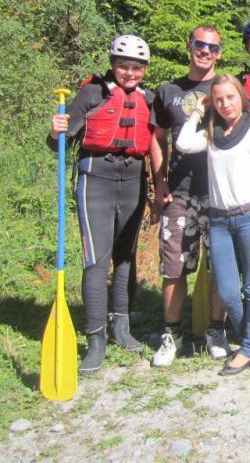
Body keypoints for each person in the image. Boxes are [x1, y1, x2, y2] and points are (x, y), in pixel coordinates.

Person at [48, 35, 155, 374]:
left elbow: (159, 143)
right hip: (96, 176)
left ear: (144, 70)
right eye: (123, 65)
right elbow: (59, 145)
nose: (129, 72)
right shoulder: (92, 93)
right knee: (97, 259)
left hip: (134, 178)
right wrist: (56, 132)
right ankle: (95, 339)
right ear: (113, 64)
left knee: (125, 257)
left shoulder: (150, 100)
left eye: (136, 67)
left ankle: (121, 328)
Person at [176, 74, 250, 375]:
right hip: (219, 220)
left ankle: (247, 348)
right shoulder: (211, 132)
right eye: (218, 99)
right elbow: (183, 142)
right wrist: (199, 109)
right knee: (227, 289)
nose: (225, 104)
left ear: (241, 97)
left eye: (230, 97)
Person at [150, 25, 231, 367]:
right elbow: (158, 138)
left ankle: (216, 331)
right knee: (174, 268)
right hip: (180, 193)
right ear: (189, 46)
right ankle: (172, 335)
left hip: (219, 192)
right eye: (200, 45)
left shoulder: (225, 89)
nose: (205, 52)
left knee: (219, 267)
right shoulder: (168, 91)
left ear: (219, 53)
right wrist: (159, 181)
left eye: (212, 48)